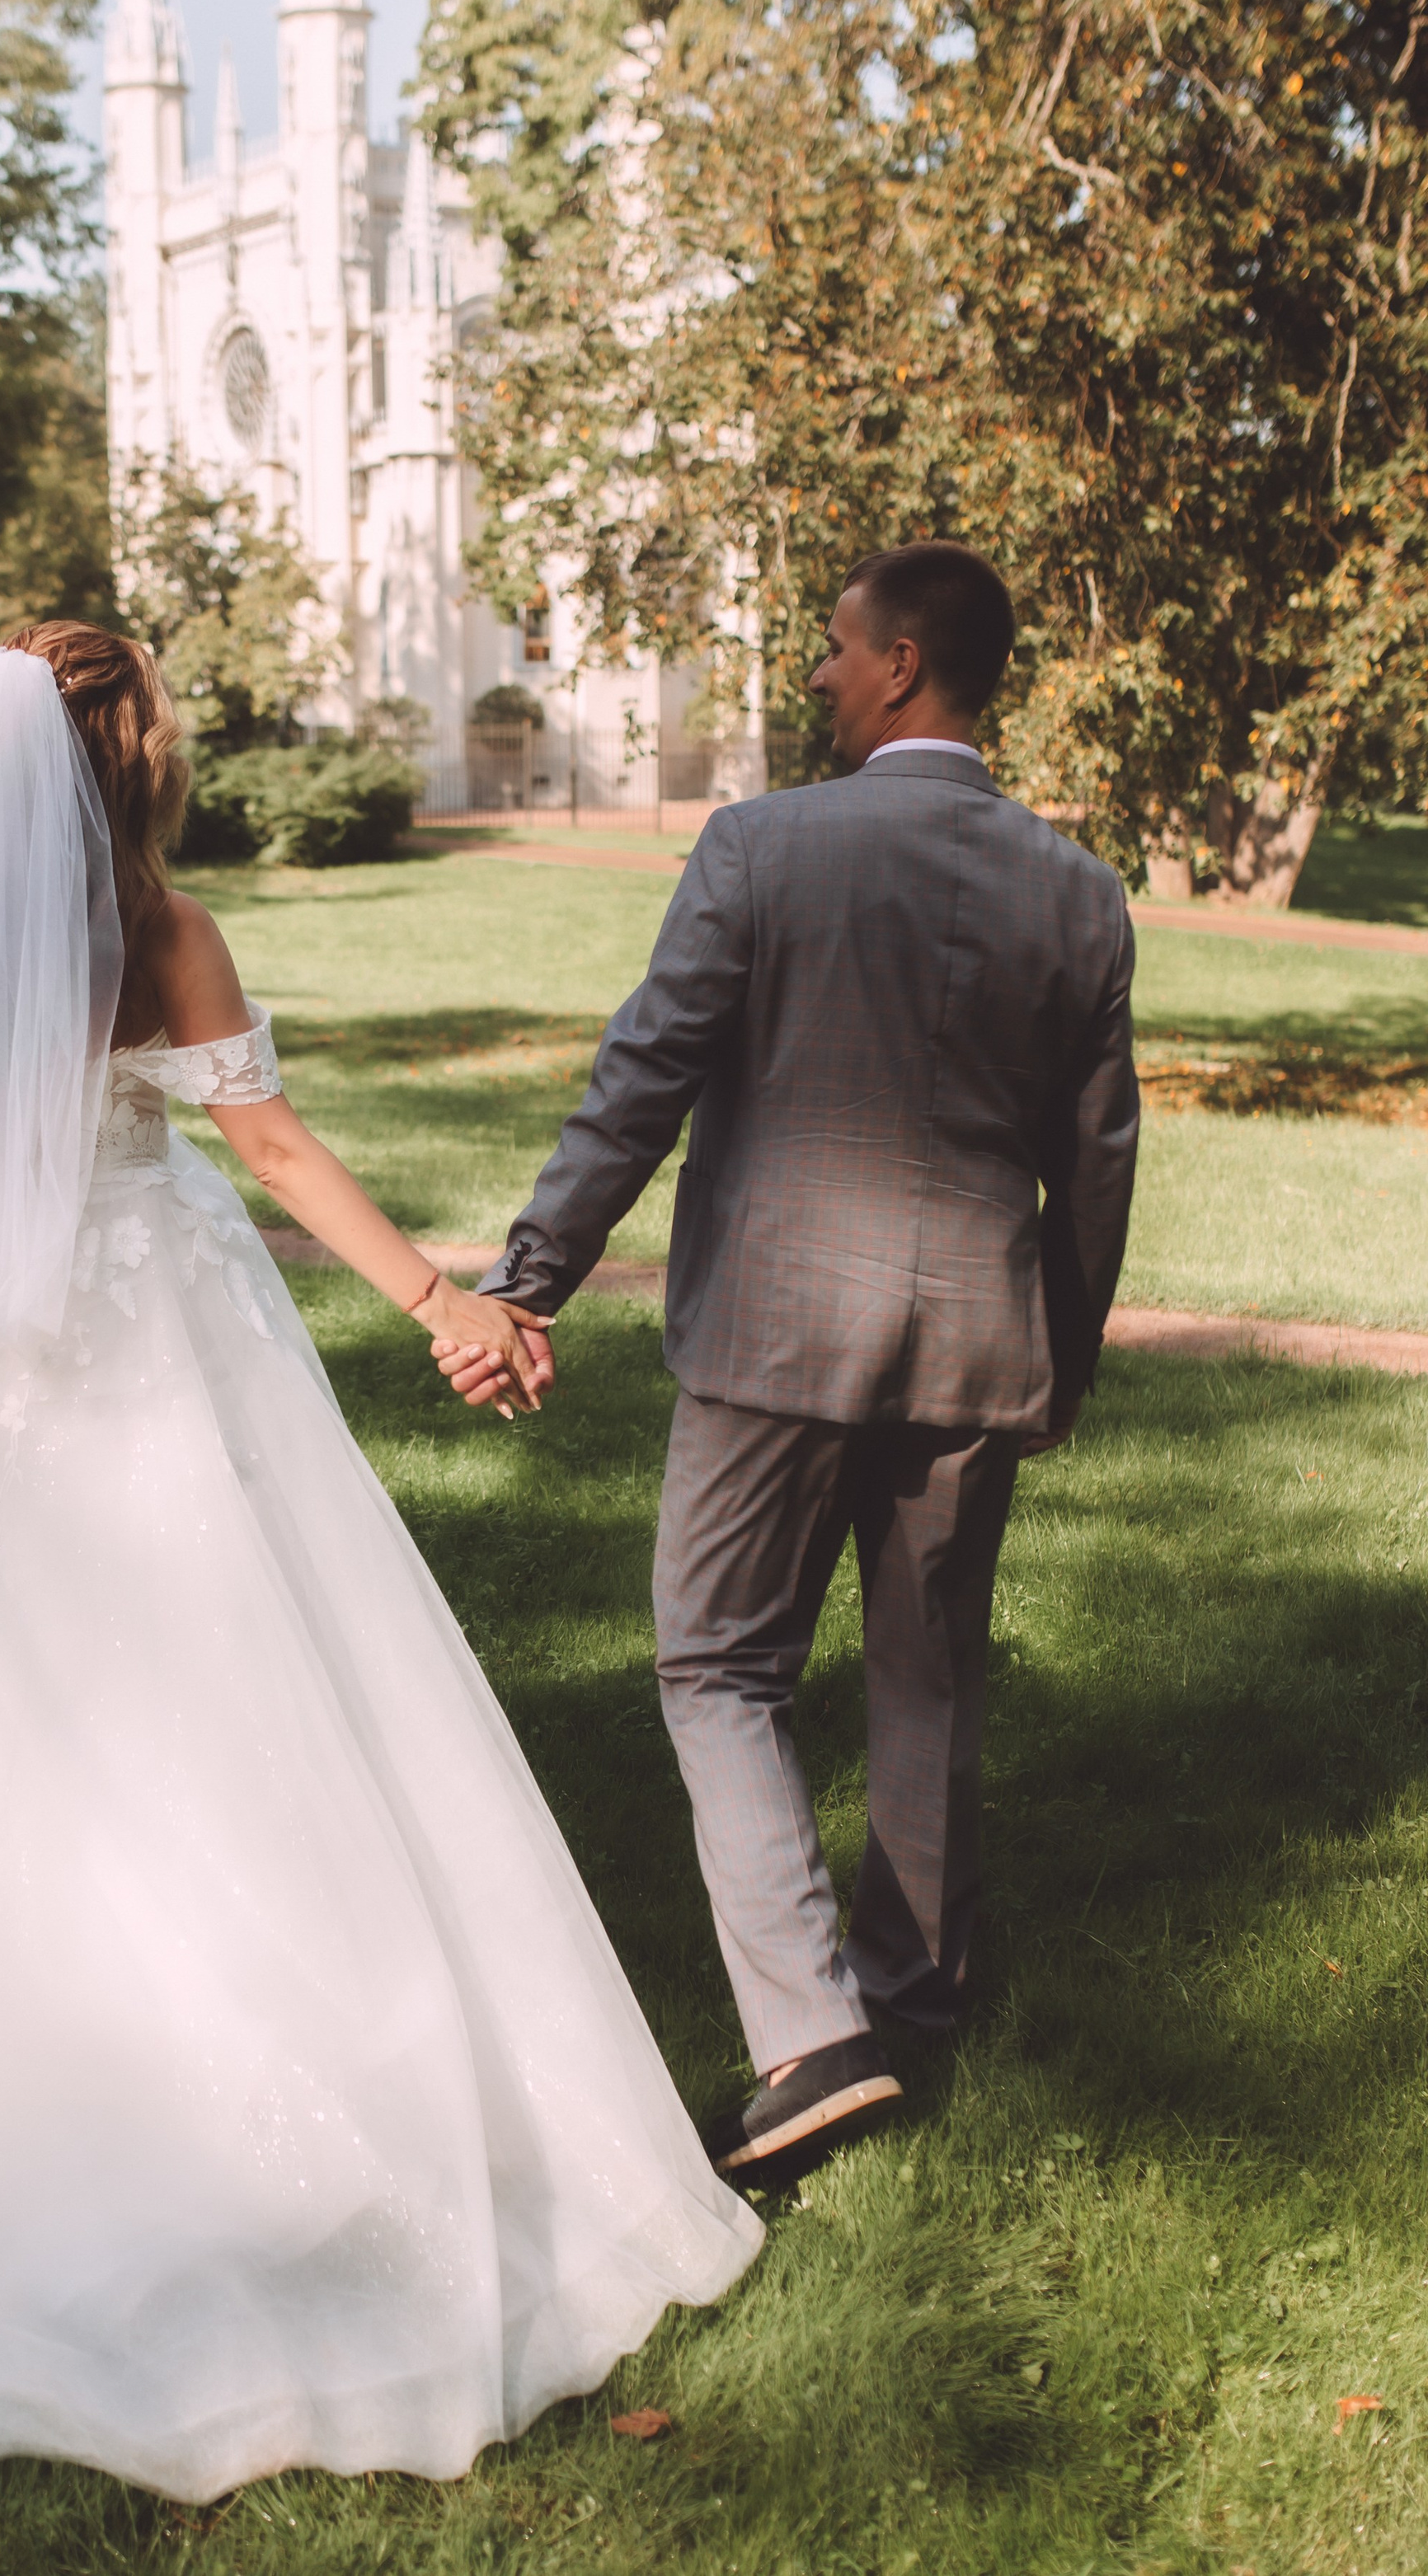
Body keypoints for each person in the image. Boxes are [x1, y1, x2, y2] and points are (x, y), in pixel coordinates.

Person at [0, 624, 761, 2501]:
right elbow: (270, 1148)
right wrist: (443, 1298)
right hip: (134, 1339)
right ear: (124, 759)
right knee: (200, 1694)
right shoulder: (162, 931)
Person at [443, 543, 1139, 2179]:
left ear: (899, 664)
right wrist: (1062, 1356)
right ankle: (915, 1998)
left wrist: (526, 1278)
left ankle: (810, 2037)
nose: (815, 677)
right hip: (974, 1342)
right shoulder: (1075, 890)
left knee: (714, 1668)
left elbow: (641, 1080)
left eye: (832, 651)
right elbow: (1092, 1160)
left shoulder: (762, 845)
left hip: (769, 1338)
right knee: (928, 1673)